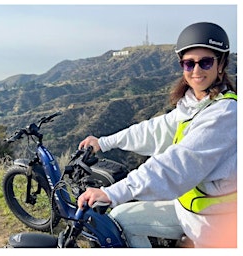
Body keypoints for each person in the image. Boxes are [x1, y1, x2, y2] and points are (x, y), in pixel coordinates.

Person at [77, 22, 236, 248]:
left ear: (221, 65)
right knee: (120, 218)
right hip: (187, 210)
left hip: (214, 227)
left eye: (206, 62)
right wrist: (102, 143)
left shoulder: (225, 114)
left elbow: (177, 163)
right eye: (189, 64)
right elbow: (153, 130)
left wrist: (113, 192)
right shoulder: (194, 105)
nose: (196, 70)